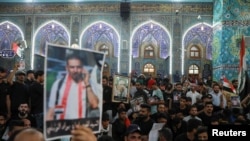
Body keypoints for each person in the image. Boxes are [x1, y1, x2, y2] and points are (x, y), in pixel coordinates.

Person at [46, 54, 99, 120]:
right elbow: (51, 112)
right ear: (67, 68)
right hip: (63, 127)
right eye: (72, 67)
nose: (75, 70)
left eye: (78, 67)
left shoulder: (88, 84)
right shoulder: (58, 84)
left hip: (81, 128)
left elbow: (94, 104)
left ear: (82, 68)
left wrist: (87, 83)